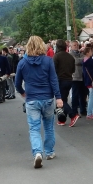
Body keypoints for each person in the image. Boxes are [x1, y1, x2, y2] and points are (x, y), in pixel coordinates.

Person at [14, 36, 64, 168]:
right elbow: (53, 80)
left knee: (34, 129)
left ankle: (37, 152)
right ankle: (49, 152)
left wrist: (22, 92)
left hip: (32, 99)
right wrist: (58, 97)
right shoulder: (48, 61)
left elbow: (17, 83)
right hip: (47, 98)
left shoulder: (22, 63)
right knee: (48, 127)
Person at [53, 40, 79, 126]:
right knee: (64, 99)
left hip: (60, 80)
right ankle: (62, 119)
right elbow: (73, 70)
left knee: (61, 100)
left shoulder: (56, 56)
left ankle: (72, 115)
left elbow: (53, 70)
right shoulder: (70, 57)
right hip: (69, 79)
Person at [82, 44, 93, 119]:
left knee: (91, 96)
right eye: (91, 51)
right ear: (87, 53)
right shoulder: (91, 61)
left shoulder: (83, 61)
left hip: (87, 79)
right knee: (92, 97)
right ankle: (89, 113)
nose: (92, 52)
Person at [70, 41, 88, 117]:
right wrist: (82, 60)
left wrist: (82, 60)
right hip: (75, 77)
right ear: (71, 46)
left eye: (77, 45)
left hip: (83, 76)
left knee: (83, 94)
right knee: (75, 95)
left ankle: (83, 110)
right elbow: (76, 61)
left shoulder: (81, 53)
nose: (76, 46)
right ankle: (74, 112)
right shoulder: (70, 54)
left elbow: (86, 59)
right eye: (74, 45)